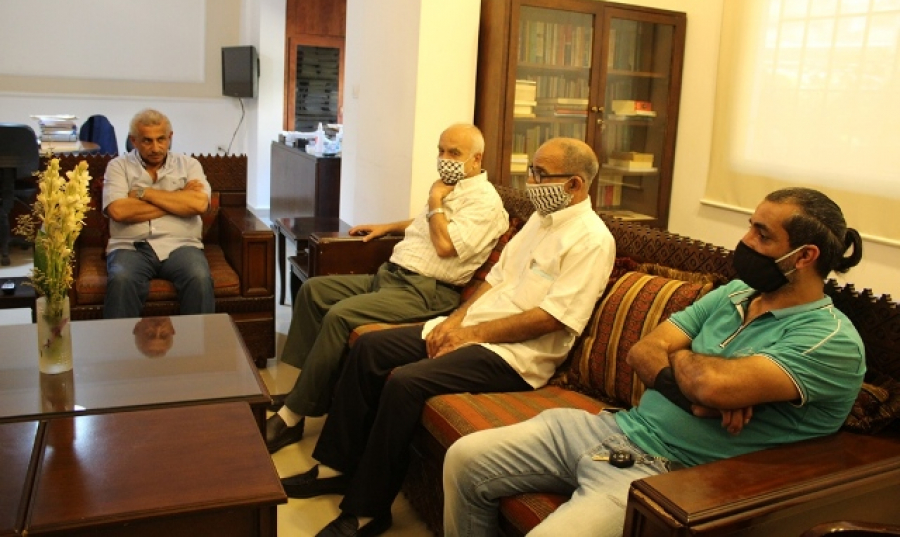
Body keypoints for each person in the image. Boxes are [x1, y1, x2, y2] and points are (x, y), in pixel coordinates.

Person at [442, 187, 866, 537]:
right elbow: (643, 351)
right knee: (464, 458)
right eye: (750, 226)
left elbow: (711, 385)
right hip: (614, 429)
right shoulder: (734, 293)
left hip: (669, 474)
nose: (745, 241)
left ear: (804, 256)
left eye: (762, 234)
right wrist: (698, 394)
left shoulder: (830, 341)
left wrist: (693, 370)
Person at [281, 137, 617, 537]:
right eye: (530, 170)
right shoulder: (538, 222)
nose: (530, 182)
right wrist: (455, 321)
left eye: (541, 175)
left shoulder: (592, 239)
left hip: (515, 356)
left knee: (406, 382)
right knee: (370, 347)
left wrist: (470, 333)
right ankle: (336, 466)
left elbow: (551, 319)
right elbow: (494, 280)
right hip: (476, 329)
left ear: (574, 184)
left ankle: (367, 510)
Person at [266, 123, 509, 453]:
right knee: (314, 291)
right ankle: (305, 388)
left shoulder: (485, 203)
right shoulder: (451, 189)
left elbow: (445, 245)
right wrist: (388, 227)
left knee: (340, 315)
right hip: (392, 276)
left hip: (426, 292)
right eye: (441, 150)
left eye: (454, 153)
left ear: (476, 159)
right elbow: (427, 223)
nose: (444, 159)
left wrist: (435, 199)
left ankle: (292, 418)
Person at [102, 109, 215, 319]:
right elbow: (118, 210)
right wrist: (179, 198)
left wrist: (144, 194)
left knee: (199, 277)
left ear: (170, 137)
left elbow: (200, 204)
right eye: (147, 141)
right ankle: (119, 341)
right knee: (121, 280)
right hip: (131, 246)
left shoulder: (189, 165)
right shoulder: (118, 166)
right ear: (134, 141)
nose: (155, 148)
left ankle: (198, 340)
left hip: (181, 245)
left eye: (161, 139)